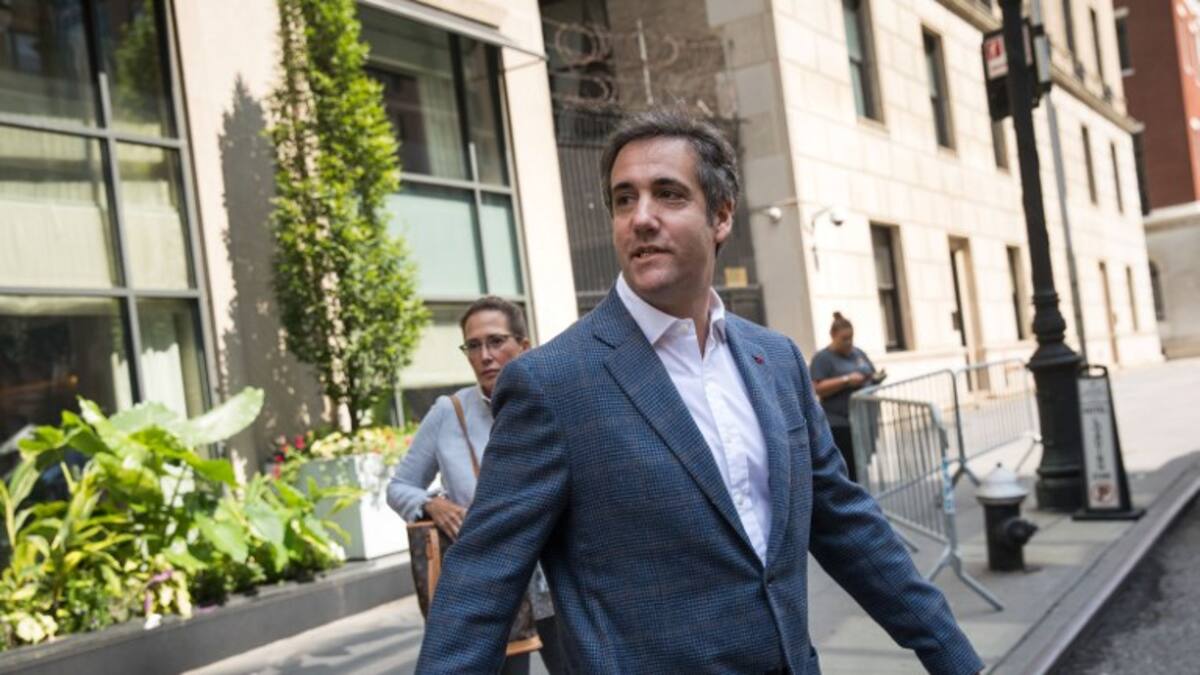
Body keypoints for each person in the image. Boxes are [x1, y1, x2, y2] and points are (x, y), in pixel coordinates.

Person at [415, 109, 983, 674]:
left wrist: (954, 657)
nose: (641, 218)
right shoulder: (553, 382)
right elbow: (480, 583)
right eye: (624, 199)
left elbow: (844, 522)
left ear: (722, 215)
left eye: (668, 194)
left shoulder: (776, 359)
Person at [386, 296, 566, 675]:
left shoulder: (554, 403)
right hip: (493, 585)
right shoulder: (448, 413)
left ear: (523, 346)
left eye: (496, 341)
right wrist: (431, 504)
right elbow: (399, 487)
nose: (485, 355)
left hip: (554, 579)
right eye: (473, 345)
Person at [810, 312, 881, 482]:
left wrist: (875, 378)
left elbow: (871, 372)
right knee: (847, 469)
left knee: (862, 465)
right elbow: (817, 388)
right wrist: (846, 380)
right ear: (833, 336)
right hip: (840, 424)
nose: (849, 342)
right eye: (844, 339)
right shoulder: (822, 358)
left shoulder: (858, 353)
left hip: (863, 420)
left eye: (851, 338)